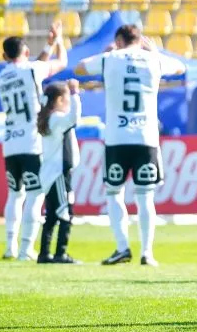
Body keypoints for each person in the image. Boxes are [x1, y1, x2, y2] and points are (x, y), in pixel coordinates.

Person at [77, 25, 186, 267]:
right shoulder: (153, 60)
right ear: (140, 39)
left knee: (114, 193)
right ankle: (147, 253)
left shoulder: (110, 58)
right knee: (145, 197)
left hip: (117, 137)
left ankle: (122, 247)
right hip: (146, 137)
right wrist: (156, 54)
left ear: (118, 40)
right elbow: (181, 68)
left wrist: (108, 53)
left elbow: (80, 67)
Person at [0, 23, 68, 260]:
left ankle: (10, 246)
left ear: (5, 55)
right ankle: (26, 248)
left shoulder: (2, 76)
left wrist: (47, 45)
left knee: (14, 195)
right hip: (31, 142)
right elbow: (61, 63)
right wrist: (59, 40)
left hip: (10, 143)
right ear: (26, 53)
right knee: (35, 194)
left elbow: (34, 64)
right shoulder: (32, 70)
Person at [36, 80, 82, 264]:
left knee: (52, 215)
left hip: (51, 173)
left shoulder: (49, 118)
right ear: (59, 100)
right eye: (67, 99)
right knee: (65, 213)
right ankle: (60, 253)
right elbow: (74, 118)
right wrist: (76, 93)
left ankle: (44, 253)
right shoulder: (56, 118)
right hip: (58, 174)